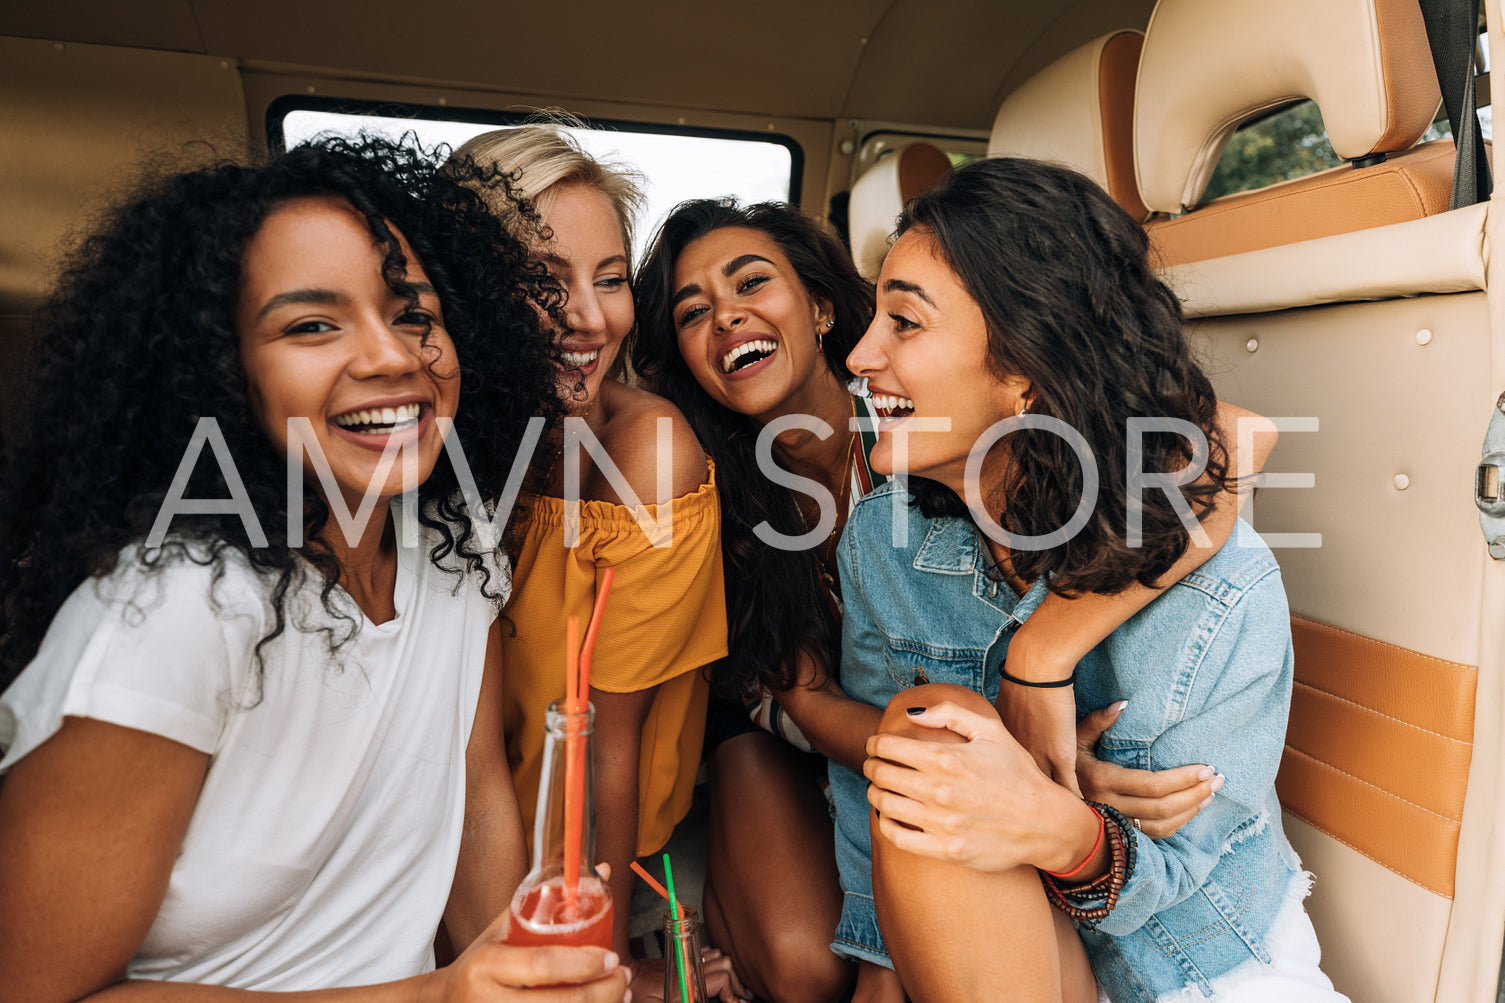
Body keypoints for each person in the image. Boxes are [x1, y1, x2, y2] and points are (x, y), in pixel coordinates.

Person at [0, 137, 629, 1002]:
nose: (391, 356)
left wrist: (529, 967)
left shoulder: (457, 539)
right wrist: (433, 996)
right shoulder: (177, 611)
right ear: (220, 371)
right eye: (310, 325)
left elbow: (474, 791)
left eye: (413, 313)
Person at [632, 200, 1273, 1003]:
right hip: (797, 722)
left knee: (939, 749)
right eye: (692, 313)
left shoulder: (925, 416)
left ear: (823, 307)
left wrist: (1038, 684)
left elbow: (1223, 445)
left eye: (750, 282)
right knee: (806, 960)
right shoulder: (711, 483)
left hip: (946, 737)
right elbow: (812, 700)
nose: (725, 317)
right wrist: (1013, 757)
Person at [838, 157, 1346, 1002]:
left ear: (1024, 369)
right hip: (986, 949)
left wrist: (1058, 827)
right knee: (929, 733)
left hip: (1191, 963)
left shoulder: (1218, 586)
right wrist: (875, 970)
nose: (860, 355)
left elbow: (1180, 872)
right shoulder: (879, 543)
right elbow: (878, 795)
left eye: (904, 324)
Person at [446, 126, 734, 997]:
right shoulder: (431, 429)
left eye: (611, 280)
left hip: (593, 837)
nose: (593, 317)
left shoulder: (646, 451)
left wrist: (592, 963)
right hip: (456, 818)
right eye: (545, 282)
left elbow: (606, 740)